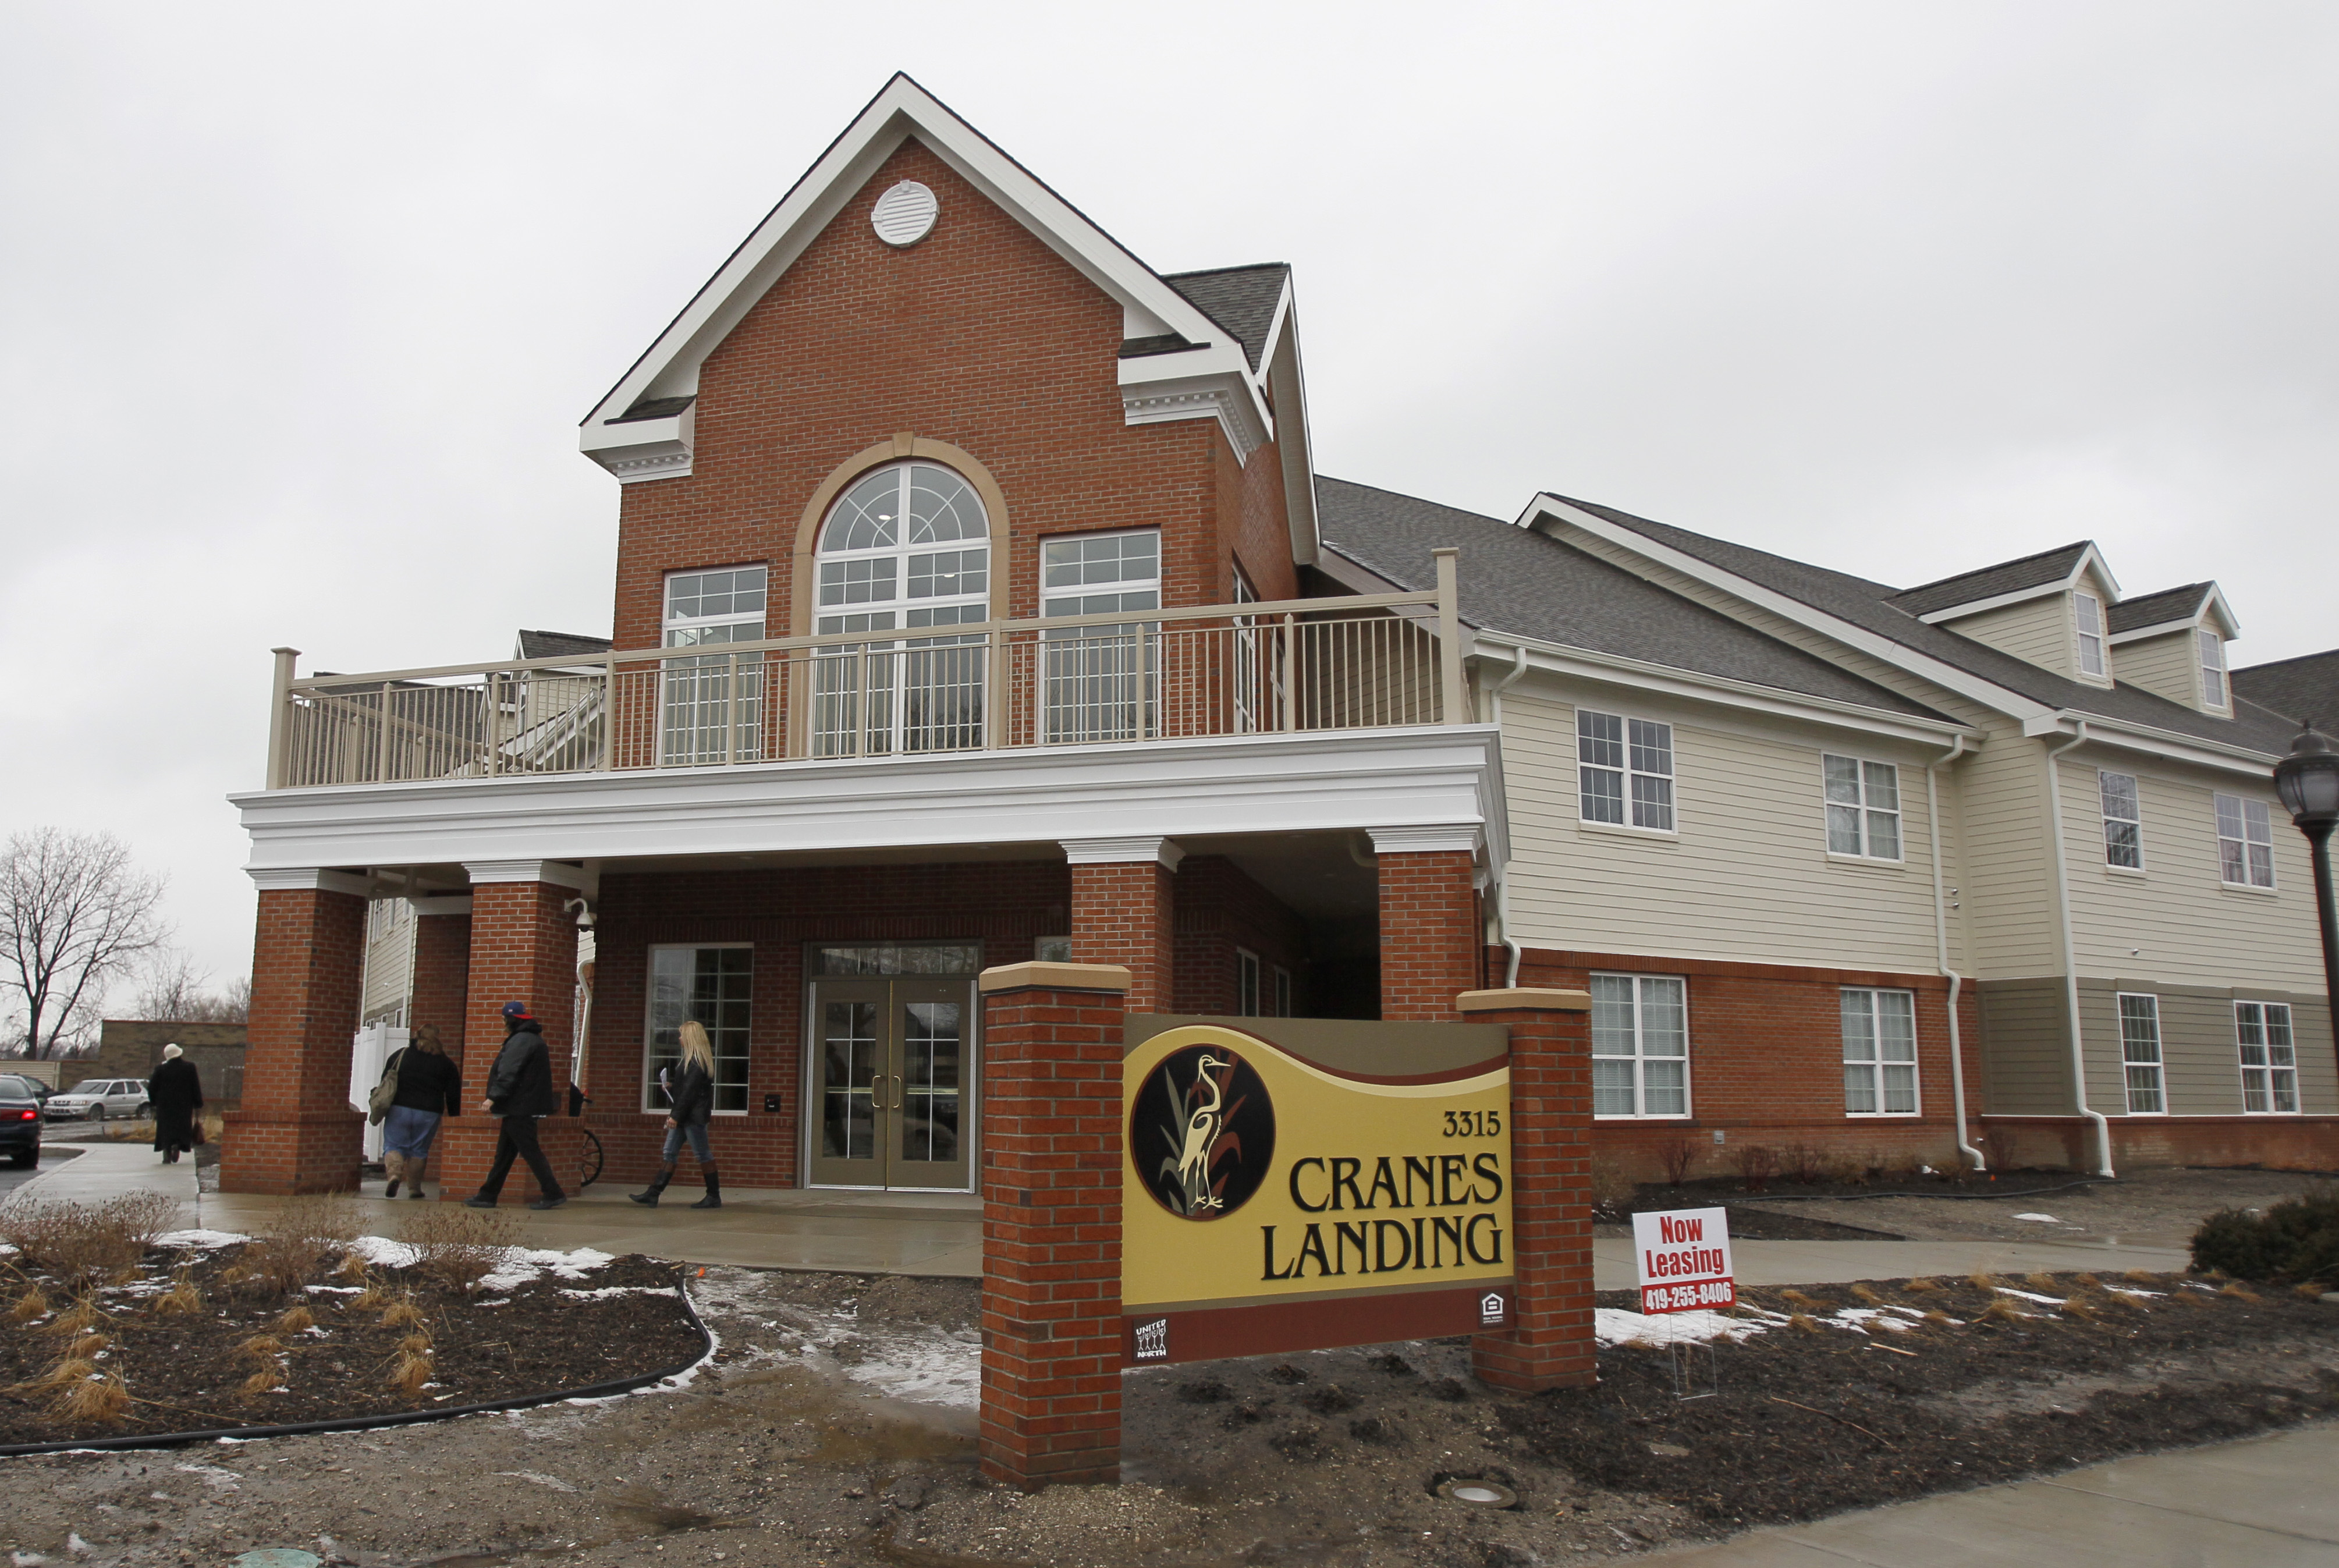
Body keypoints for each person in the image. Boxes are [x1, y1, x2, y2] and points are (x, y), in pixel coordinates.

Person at [464, 1002, 566, 1211]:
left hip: (519, 1106)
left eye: (504, 1019)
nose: (503, 1023)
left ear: (512, 1020)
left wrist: (493, 1097)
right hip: (520, 1106)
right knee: (505, 1154)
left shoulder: (521, 1041)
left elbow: (510, 1071)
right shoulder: (529, 1039)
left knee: (530, 1151)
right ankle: (488, 1195)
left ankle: (553, 1192)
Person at [630, 1019, 720, 1209]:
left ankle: (713, 1196)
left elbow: (689, 1094)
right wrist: (672, 1086)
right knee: (669, 1152)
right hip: (687, 1116)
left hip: (691, 1118)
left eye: (681, 1035)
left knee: (702, 1154)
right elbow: (687, 1089)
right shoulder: (693, 1061)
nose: (679, 1039)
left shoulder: (695, 1062)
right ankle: (653, 1193)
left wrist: (675, 1116)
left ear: (690, 1037)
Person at [380, 1024, 462, 1199]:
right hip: (429, 1112)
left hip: (399, 1109)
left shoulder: (401, 1055)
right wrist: (455, 1116)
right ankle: (414, 1189)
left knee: (394, 1145)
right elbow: (454, 1092)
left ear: (417, 1036)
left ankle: (395, 1175)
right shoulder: (445, 1063)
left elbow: (386, 1078)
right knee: (419, 1150)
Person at [146, 1044, 203, 1165]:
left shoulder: (160, 1069)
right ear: (179, 1053)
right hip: (184, 1105)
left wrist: (154, 1102)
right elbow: (195, 1087)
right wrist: (198, 1103)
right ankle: (177, 1145)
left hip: (165, 1105)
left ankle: (166, 1150)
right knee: (182, 1127)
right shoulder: (190, 1068)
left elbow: (151, 1088)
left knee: (165, 1128)